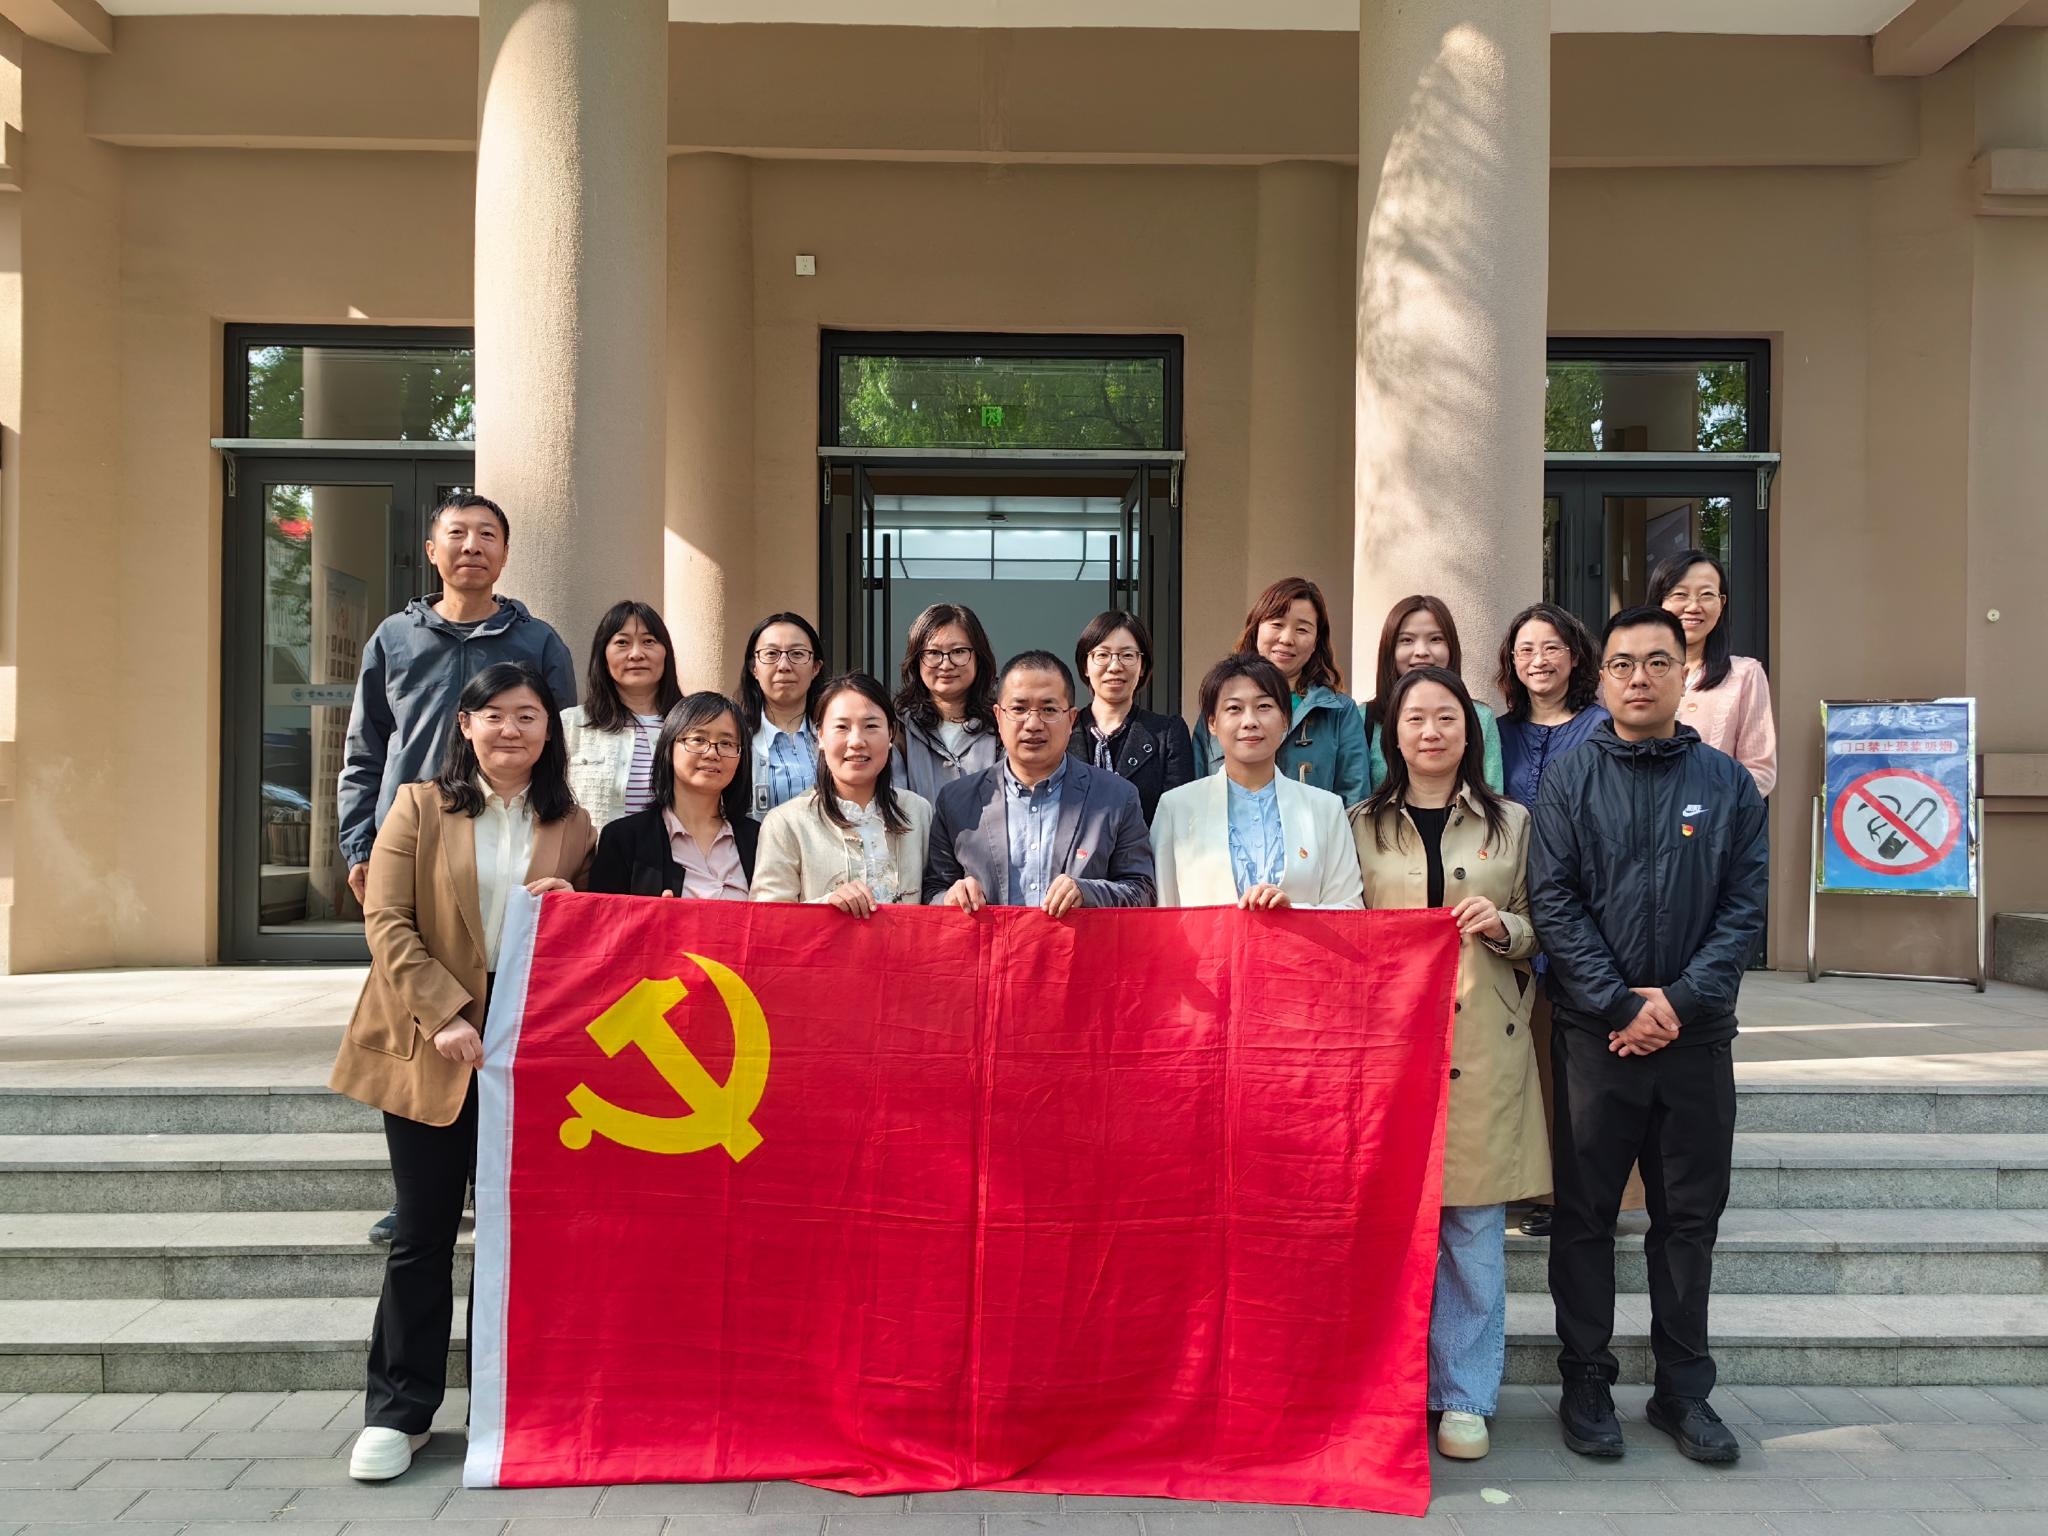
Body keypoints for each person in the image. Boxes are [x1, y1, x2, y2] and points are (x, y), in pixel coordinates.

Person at [330, 661, 593, 1482]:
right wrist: (444, 1012)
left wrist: (569, 902)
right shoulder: (418, 806)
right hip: (428, 1042)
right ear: (466, 725)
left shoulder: (572, 823)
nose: (511, 729)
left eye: (528, 715)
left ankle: (498, 1409)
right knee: (423, 1233)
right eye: (495, 714)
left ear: (549, 730)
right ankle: (398, 1412)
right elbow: (387, 919)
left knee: (513, 1239)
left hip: (526, 1053)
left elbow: (591, 937)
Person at [1529, 606, 1767, 1466]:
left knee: (1688, 1220)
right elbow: (1553, 901)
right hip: (1597, 1040)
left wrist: (1681, 1001)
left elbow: (1745, 908)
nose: (1640, 677)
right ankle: (1586, 1382)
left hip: (1697, 1041)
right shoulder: (1569, 780)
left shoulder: (1728, 784)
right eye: (1624, 663)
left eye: (1658, 662)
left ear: (1683, 675)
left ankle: (1683, 1391)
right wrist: (1621, 1006)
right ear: (1602, 680)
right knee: (1585, 1218)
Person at [339, 491, 578, 1248]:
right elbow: (365, 749)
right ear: (431, 550)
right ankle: (421, 1193)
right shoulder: (394, 638)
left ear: (505, 552)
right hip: (415, 844)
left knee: (503, 1010)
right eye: (457, 533)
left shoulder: (538, 640)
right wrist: (359, 845)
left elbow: (564, 741)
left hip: (509, 834)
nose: (472, 545)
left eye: (487, 535)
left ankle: (482, 1177)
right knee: (419, 1015)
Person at [1350, 665, 1546, 1462]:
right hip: (1389, 1048)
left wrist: (1502, 925)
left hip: (1485, 1041)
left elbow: (1542, 926)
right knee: (1393, 1228)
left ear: (1471, 733)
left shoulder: (1513, 822)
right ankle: (1393, 1389)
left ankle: (1465, 1397)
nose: (1430, 732)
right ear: (1391, 736)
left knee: (1472, 1228)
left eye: (1446, 718)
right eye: (1415, 719)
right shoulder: (1360, 824)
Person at [1494, 603, 1611, 1240]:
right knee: (1531, 1056)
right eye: (1525, 650)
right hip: (1513, 907)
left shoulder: (1602, 727)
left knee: (1581, 1065)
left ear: (1574, 655)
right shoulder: (1497, 733)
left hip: (1585, 908)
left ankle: (1585, 1194)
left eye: (1550, 648)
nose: (1538, 661)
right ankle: (1532, 1189)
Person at [923, 651, 1155, 913]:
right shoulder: (957, 800)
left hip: (1080, 941)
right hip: (989, 942)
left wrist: (1089, 893)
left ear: (1071, 720)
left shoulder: (1116, 798)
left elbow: (1142, 890)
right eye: (1019, 709)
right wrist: (951, 897)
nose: (1033, 724)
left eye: (1049, 710)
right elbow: (932, 891)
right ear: (998, 717)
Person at [1150, 654, 1361, 910]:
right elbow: (1162, 912)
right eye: (1234, 709)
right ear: (1212, 723)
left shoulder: (1326, 809)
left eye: (1264, 706)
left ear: (1285, 719)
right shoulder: (1176, 808)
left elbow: (1349, 909)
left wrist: (1294, 912)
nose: (1250, 721)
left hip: (1301, 939)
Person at [750, 673, 933, 913]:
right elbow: (766, 917)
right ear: (820, 736)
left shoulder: (918, 812)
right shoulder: (786, 823)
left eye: (871, 726)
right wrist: (826, 906)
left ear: (890, 734)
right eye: (841, 727)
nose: (856, 741)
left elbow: (935, 895)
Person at [1192, 578, 1368, 806]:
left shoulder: (1339, 712)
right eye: (1277, 624)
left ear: (1316, 641)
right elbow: (1197, 790)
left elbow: (1355, 799)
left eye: (1302, 629)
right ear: (1256, 628)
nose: (1286, 639)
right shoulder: (1221, 703)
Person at [589, 692, 758, 899]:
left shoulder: (759, 839)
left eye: (727, 743)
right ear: (669, 747)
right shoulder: (623, 839)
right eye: (698, 739)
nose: (712, 753)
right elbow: (603, 916)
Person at [1648, 549, 1777, 796]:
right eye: (1680, 594)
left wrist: (1703, 806)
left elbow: (1760, 772)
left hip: (1711, 817)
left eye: (1706, 595)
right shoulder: (1628, 675)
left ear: (1722, 603)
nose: (1693, 606)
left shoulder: (1745, 674)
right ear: (1659, 601)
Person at [559, 600, 684, 830]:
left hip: (676, 852)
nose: (636, 654)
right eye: (622, 643)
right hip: (593, 853)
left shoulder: (691, 725)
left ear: (666, 651)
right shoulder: (570, 725)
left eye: (648, 641)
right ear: (603, 655)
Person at [1362, 596, 1504, 794]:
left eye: (1436, 639)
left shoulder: (1481, 717)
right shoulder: (1362, 718)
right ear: (1390, 649)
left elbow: (1492, 795)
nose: (1421, 651)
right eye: (1407, 640)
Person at [1069, 609, 1195, 825]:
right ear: (1085, 666)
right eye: (1102, 655)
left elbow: (1179, 821)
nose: (1115, 666)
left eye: (1127, 655)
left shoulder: (1167, 734)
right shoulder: (1064, 730)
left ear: (1143, 666)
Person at [893, 602, 1003, 802]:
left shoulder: (1002, 726)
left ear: (978, 657)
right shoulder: (898, 728)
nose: (946, 664)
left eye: (958, 651)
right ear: (916, 661)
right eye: (933, 653)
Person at [739, 612, 828, 821]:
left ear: (815, 667)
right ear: (754, 668)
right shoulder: (736, 739)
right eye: (771, 654)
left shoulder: (837, 733)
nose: (784, 666)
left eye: (797, 654)